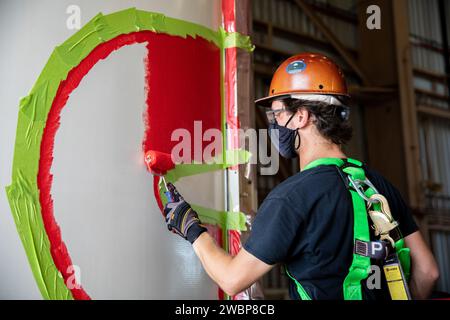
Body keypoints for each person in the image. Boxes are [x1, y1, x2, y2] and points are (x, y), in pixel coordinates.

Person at [162, 53, 439, 300]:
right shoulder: (378, 186)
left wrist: (192, 230)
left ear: (301, 117)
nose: (274, 124)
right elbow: (428, 272)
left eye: (277, 113)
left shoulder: (291, 198)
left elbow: (232, 280)